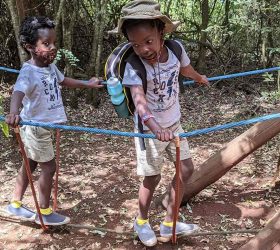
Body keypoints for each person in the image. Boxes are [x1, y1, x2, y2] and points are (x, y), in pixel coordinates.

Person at [112, 0, 209, 246]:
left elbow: (185, 69)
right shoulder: (134, 65)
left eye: (148, 41)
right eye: (136, 44)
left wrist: (199, 78)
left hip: (174, 124)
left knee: (186, 169)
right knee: (152, 178)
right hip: (149, 131)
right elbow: (140, 102)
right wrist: (156, 129)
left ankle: (169, 222)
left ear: (161, 32)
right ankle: (141, 221)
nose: (143, 49)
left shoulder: (176, 49)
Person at [5, 16, 103, 226]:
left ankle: (15, 203)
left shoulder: (50, 67)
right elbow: (17, 92)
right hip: (35, 128)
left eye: (54, 43)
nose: (53, 48)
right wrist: (13, 113)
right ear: (30, 47)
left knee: (29, 164)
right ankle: (45, 211)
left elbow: (63, 80)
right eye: (46, 44)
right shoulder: (28, 71)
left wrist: (87, 84)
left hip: (44, 128)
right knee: (49, 168)